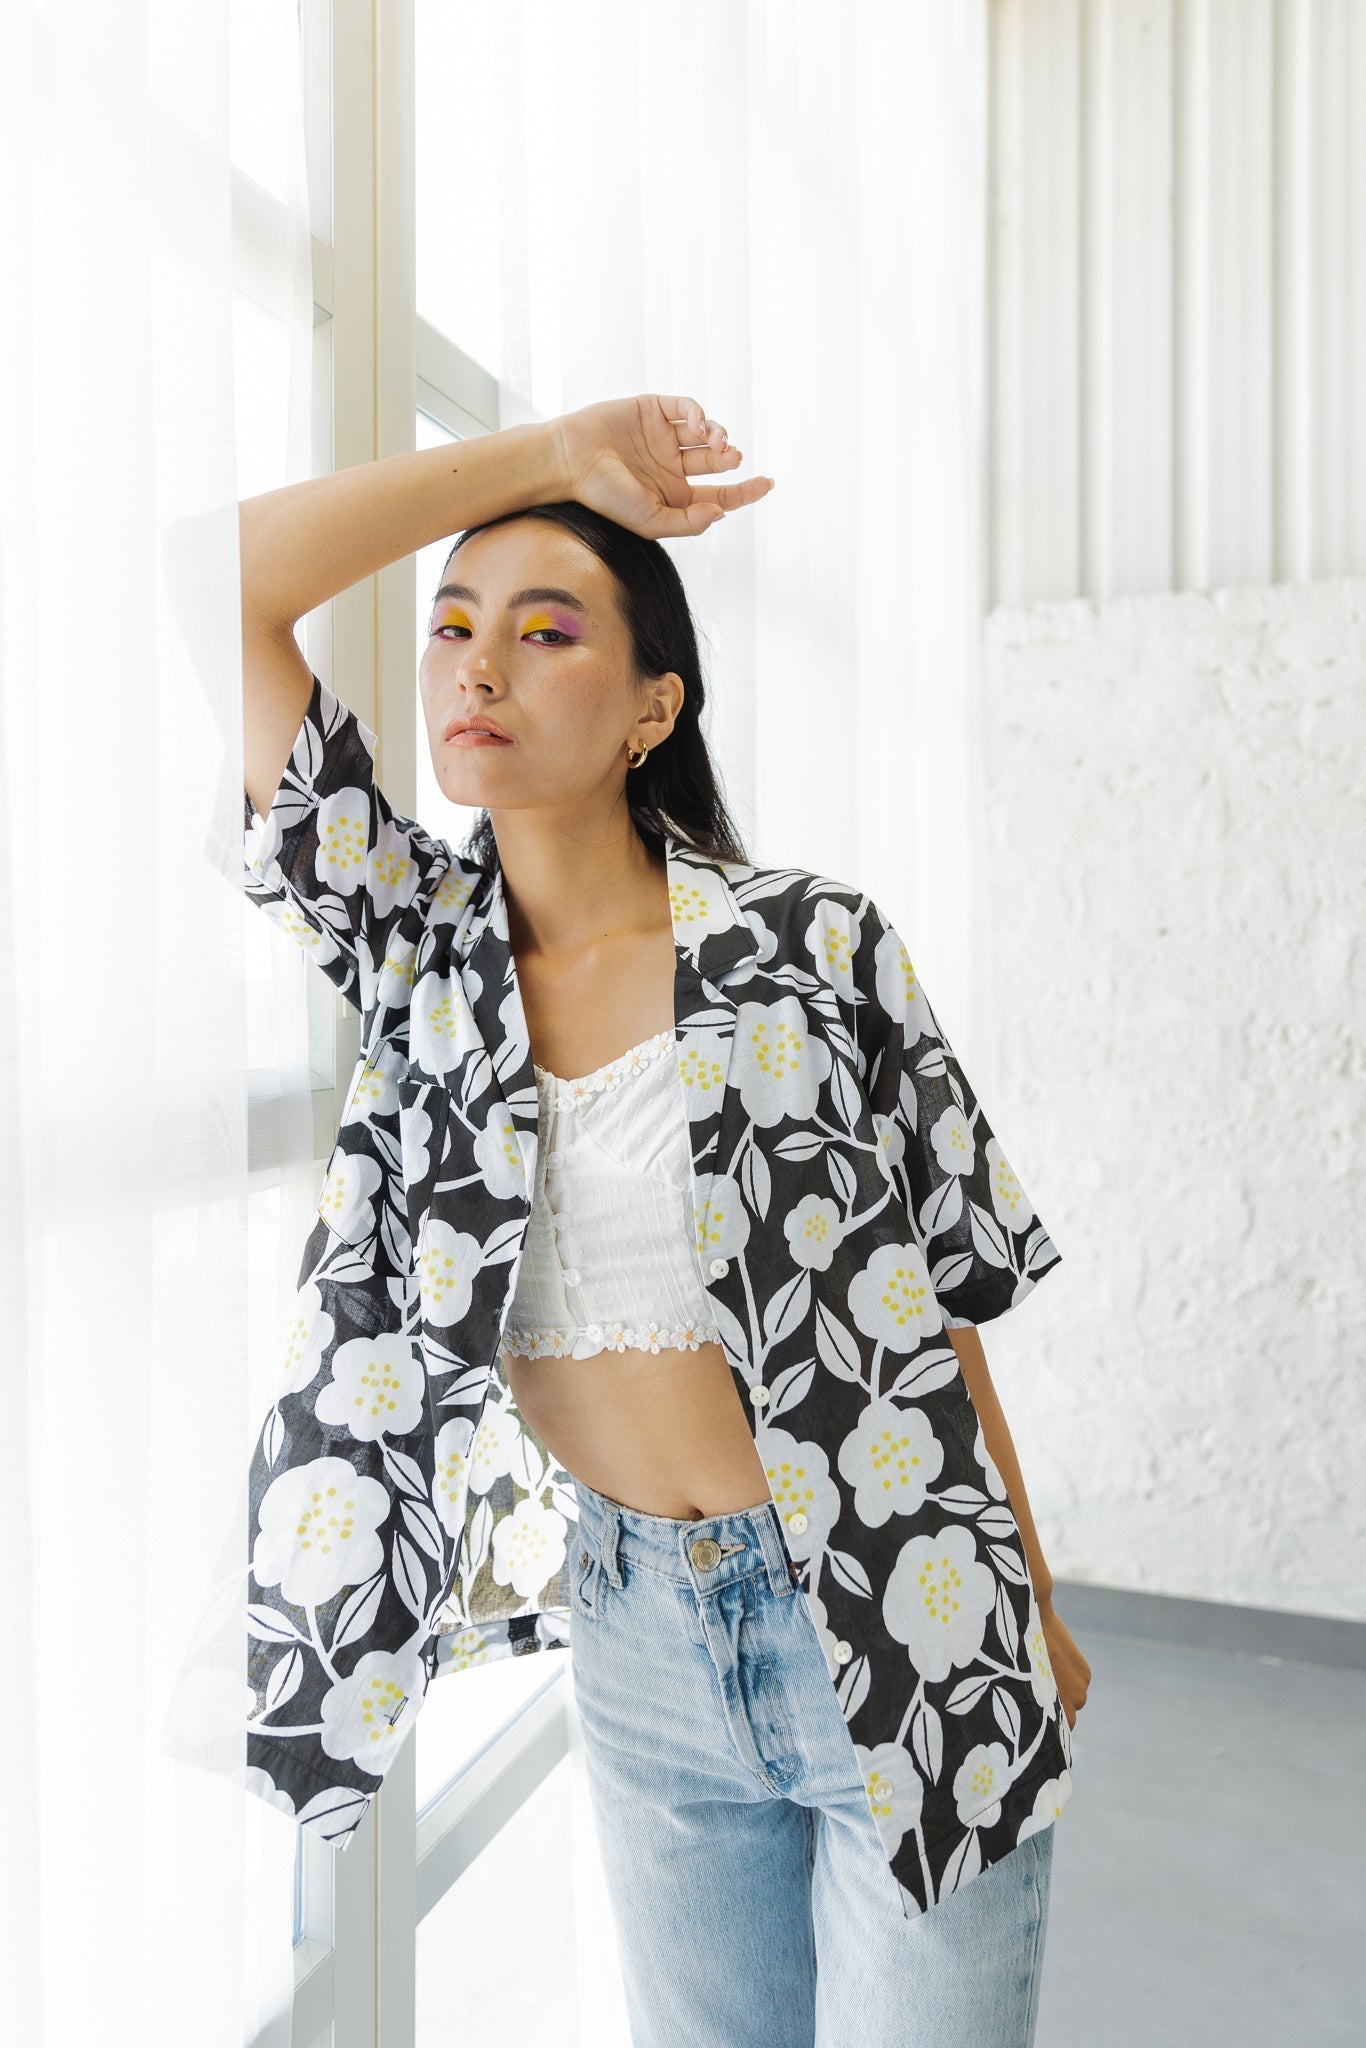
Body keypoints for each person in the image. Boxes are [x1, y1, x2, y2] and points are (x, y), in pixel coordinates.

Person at [239, 393, 1091, 2048]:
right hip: (634, 1626)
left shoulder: (815, 946)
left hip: (897, 1577)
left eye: (545, 631)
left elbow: (933, 1307)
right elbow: (228, 581)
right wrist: (549, 456)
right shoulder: (412, 953)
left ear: (653, 707)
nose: (478, 669)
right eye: (452, 627)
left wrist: (1033, 1600)